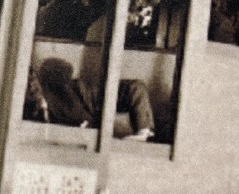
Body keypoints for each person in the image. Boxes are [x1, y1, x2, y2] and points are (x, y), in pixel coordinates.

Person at [24, 58, 155, 141]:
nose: (31, 86)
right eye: (28, 84)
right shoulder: (29, 109)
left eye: (32, 80)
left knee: (136, 87)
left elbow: (66, 69)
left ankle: (143, 132)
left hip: (87, 98)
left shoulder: (53, 84)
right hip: (79, 127)